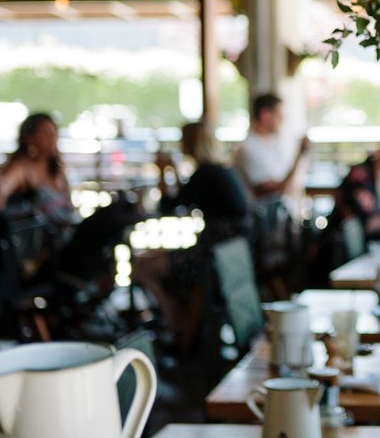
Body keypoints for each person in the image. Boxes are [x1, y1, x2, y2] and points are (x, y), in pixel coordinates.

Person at [132, 120, 250, 352]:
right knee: (150, 257)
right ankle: (179, 321)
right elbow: (183, 201)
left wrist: (163, 172)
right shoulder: (219, 171)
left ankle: (175, 321)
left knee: (141, 267)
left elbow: (170, 205)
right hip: (230, 254)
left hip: (211, 258)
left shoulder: (205, 173)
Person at [0, 112, 79, 236]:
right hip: (46, 244)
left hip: (69, 233)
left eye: (53, 132)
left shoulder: (57, 171)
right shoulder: (22, 168)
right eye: (45, 133)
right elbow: (0, 190)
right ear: (29, 138)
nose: (52, 138)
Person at [233, 92, 310, 209]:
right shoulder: (248, 149)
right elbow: (274, 191)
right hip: (263, 220)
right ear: (265, 115)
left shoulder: (274, 144)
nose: (283, 119)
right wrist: (299, 155)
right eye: (279, 115)